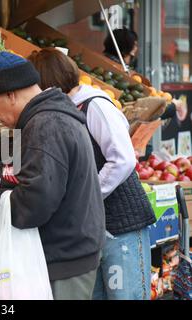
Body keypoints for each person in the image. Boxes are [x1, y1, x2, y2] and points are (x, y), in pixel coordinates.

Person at [0, 51, 106, 300]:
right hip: (69, 253)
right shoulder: (51, 117)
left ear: (10, 94)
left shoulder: (46, 125)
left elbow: (36, 203)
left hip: (63, 260)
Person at [28, 48, 156, 300]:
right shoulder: (63, 111)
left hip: (120, 224)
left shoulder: (94, 105)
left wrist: (88, 194)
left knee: (125, 296)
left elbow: (123, 158)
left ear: (45, 81)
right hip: (91, 230)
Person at [104, 28, 187, 122]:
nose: (136, 49)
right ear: (128, 48)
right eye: (134, 45)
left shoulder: (104, 65)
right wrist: (172, 107)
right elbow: (144, 109)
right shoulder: (121, 75)